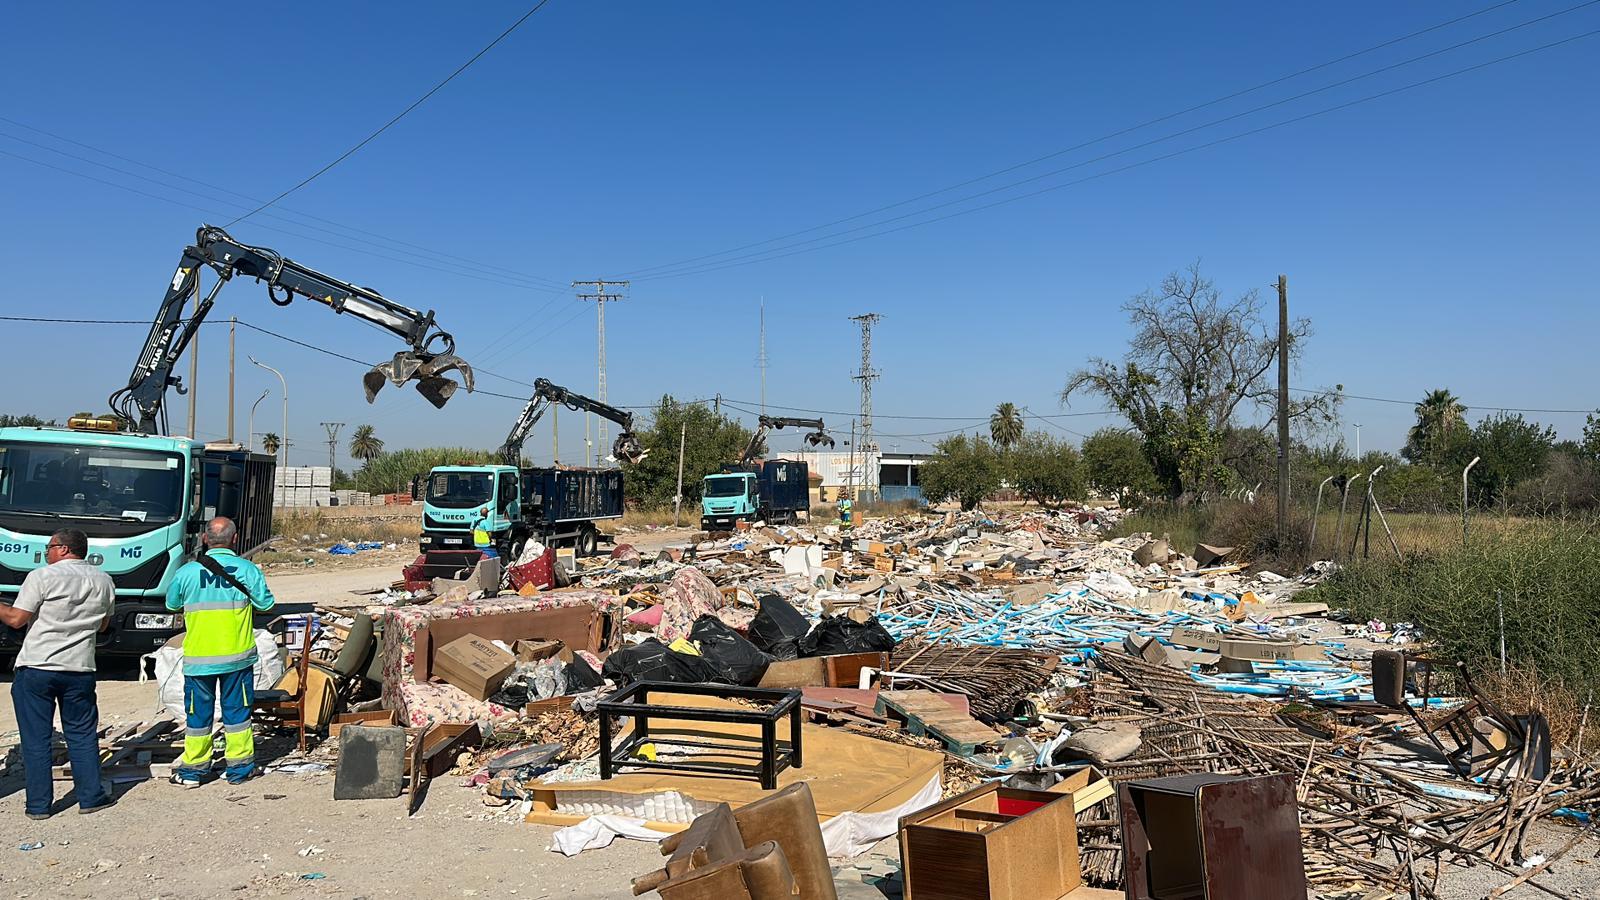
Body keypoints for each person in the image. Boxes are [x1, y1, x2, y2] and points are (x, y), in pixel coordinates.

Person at [0, 528, 116, 819]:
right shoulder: (104, 580)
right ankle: (91, 797)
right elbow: (103, 626)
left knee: (36, 739)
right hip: (79, 667)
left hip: (38, 665)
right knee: (82, 734)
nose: (46, 552)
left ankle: (39, 806)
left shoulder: (42, 576)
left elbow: (16, 619)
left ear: (64, 549)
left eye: (49, 547)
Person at [164, 517, 275, 787]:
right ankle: (238, 769)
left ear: (204, 539)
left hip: (199, 659)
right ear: (235, 540)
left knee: (197, 717)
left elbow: (171, 604)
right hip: (237, 657)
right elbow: (266, 604)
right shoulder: (247, 570)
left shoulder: (186, 572)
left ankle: (193, 771)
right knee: (237, 715)